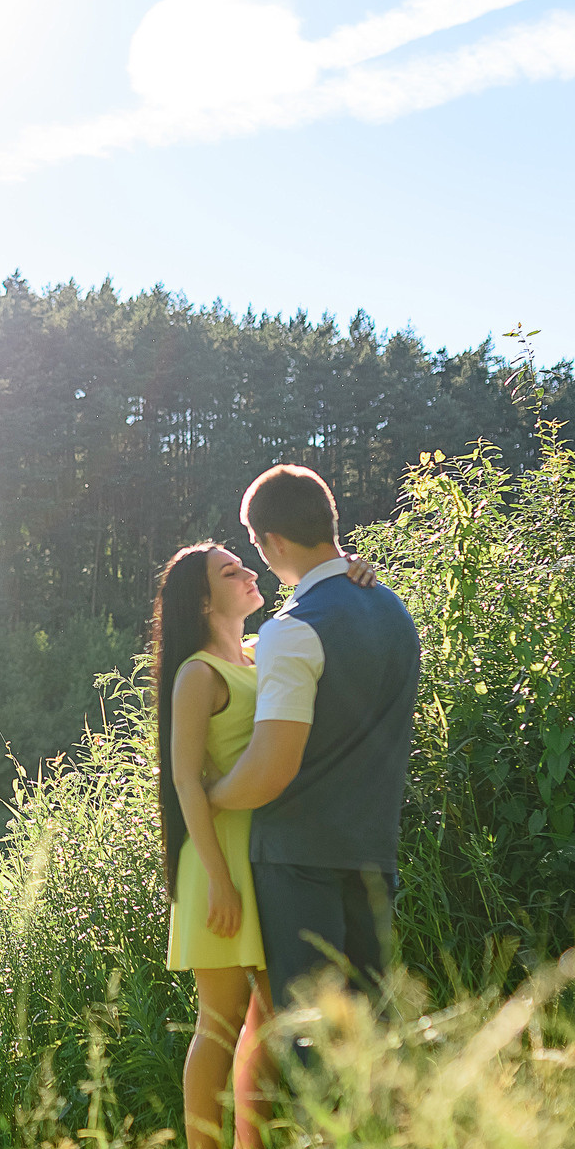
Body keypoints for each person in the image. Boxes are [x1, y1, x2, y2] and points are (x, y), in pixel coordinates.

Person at [152, 538, 383, 1149]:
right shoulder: (199, 673)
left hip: (262, 861)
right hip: (217, 865)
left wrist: (353, 577)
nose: (249, 572)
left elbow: (319, 636)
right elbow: (186, 781)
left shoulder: (255, 656)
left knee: (270, 1019)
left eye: (247, 562)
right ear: (202, 599)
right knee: (219, 1024)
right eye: (231, 571)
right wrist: (220, 880)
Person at [207, 464, 422, 1085]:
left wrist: (209, 793)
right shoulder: (395, 612)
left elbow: (271, 771)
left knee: (309, 1046)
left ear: (269, 541)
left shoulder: (293, 630)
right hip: (374, 855)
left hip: (297, 860)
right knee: (372, 1040)